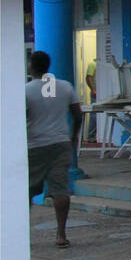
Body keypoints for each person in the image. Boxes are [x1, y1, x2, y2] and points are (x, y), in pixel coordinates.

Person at [26, 50, 82, 249]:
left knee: (27, 191)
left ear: (31, 66)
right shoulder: (65, 86)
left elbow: (21, 117)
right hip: (60, 145)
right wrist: (73, 137)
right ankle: (61, 234)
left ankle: (23, 233)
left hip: (34, 146)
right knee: (60, 190)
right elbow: (77, 115)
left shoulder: (26, 90)